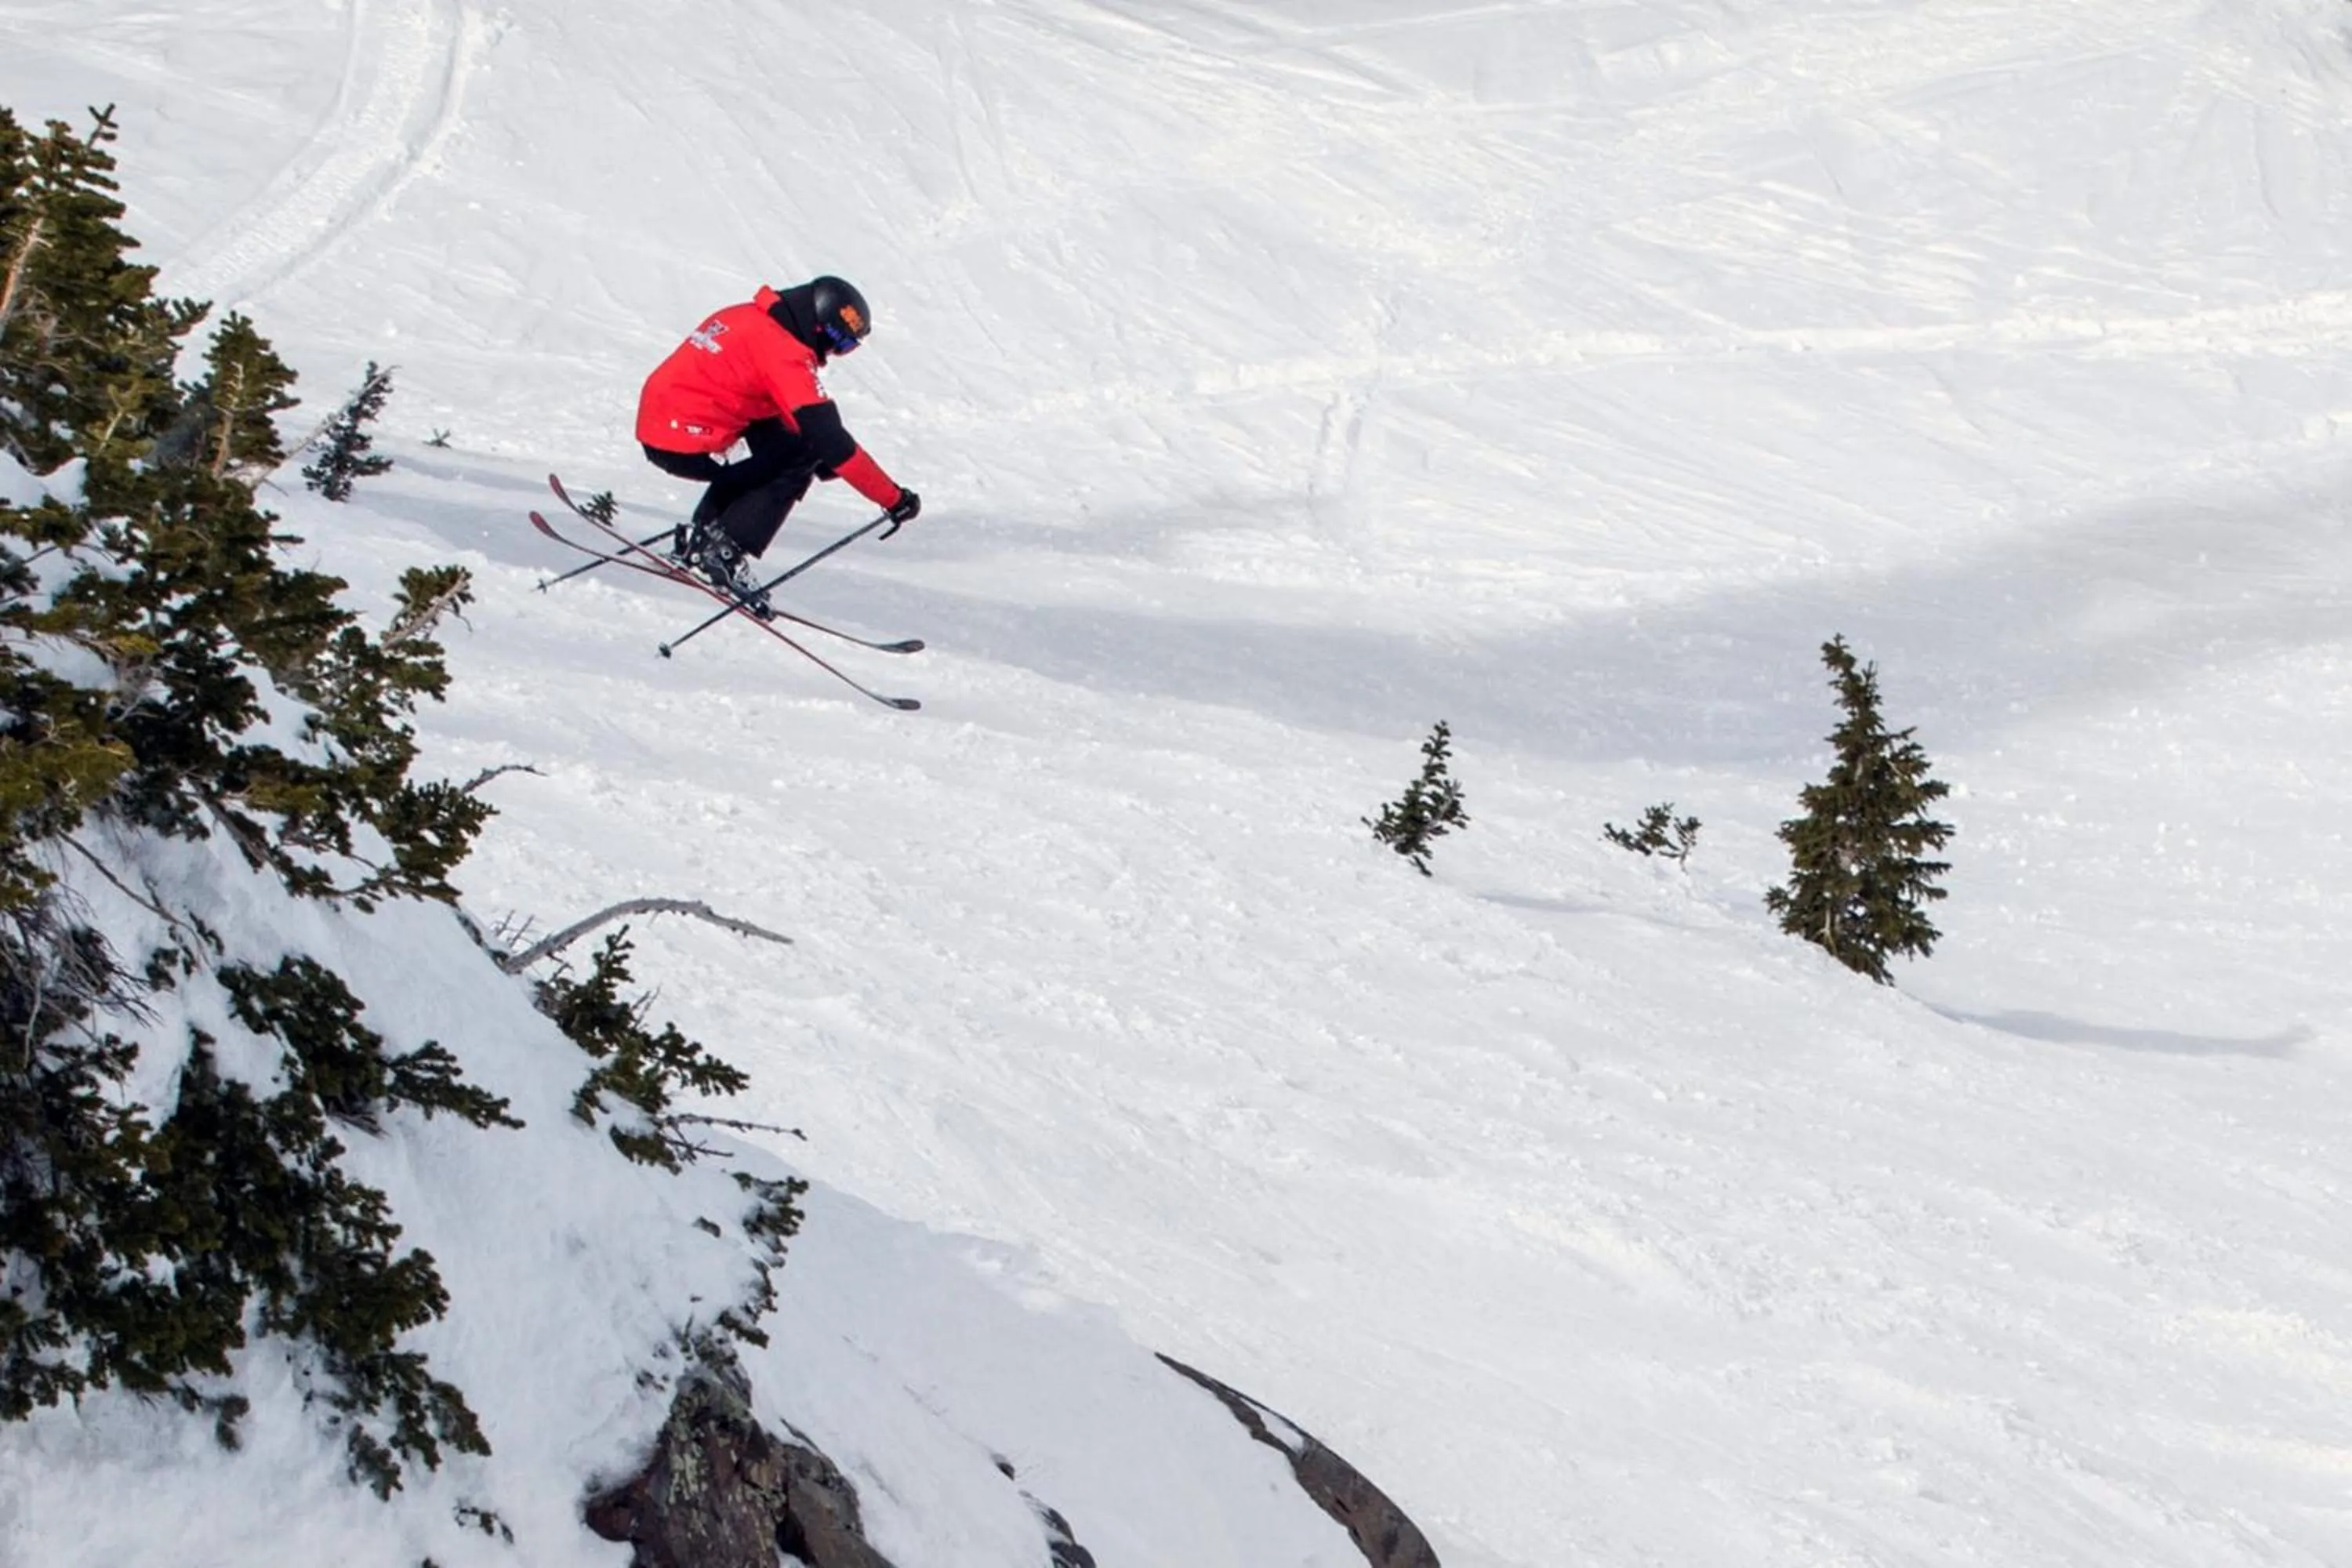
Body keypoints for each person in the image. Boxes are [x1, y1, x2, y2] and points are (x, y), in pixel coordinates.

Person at [635, 275, 920, 618]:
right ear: (819, 326)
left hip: (663, 423)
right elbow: (831, 441)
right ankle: (721, 551)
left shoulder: (748, 317)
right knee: (803, 450)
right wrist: (893, 499)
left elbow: (777, 410)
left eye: (847, 348)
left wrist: (825, 460)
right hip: (685, 440)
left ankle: (706, 540)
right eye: (838, 342)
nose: (833, 354)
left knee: (792, 442)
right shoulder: (785, 354)